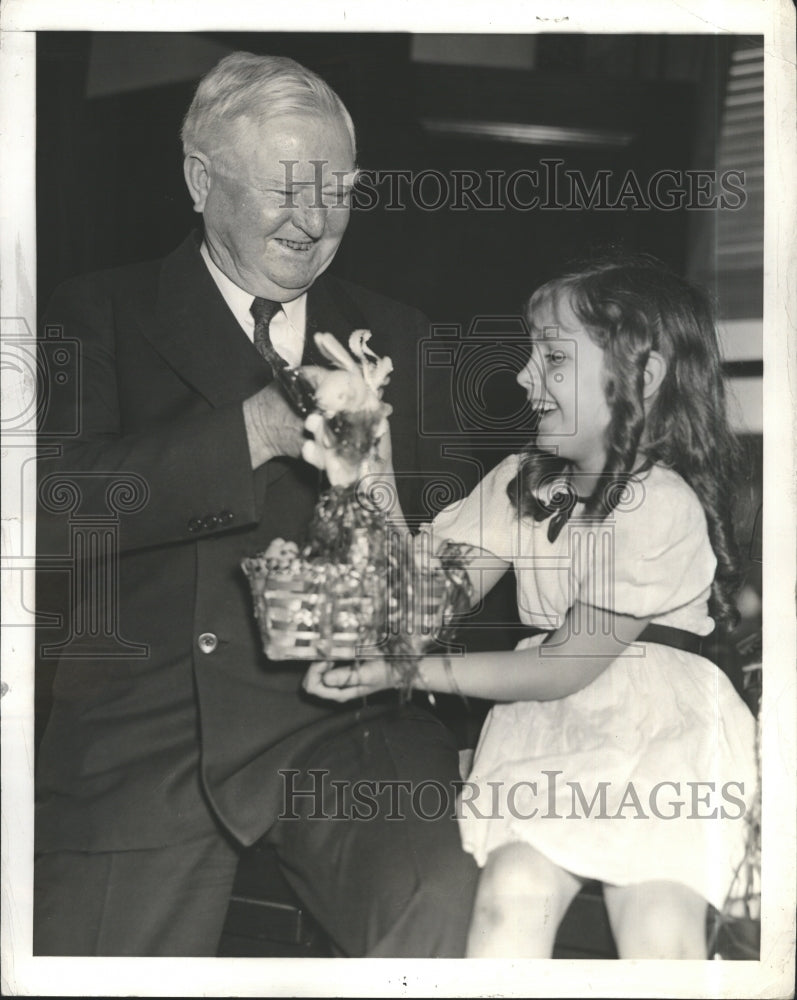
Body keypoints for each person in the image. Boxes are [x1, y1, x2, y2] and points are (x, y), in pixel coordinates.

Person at [34, 51, 478, 957]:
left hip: (352, 723)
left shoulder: (401, 333)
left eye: (338, 190)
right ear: (201, 181)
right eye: (286, 188)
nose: (314, 223)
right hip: (154, 729)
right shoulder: (91, 314)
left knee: (444, 897)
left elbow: (462, 560)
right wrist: (259, 430)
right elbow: (41, 514)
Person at [305, 256, 759, 958]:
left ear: (642, 377)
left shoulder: (659, 501)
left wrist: (408, 671)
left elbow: (565, 665)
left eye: (552, 358)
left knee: (656, 926)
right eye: (528, 355)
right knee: (506, 897)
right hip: (551, 737)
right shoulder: (523, 484)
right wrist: (367, 458)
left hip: (664, 747)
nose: (523, 378)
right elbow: (415, 601)